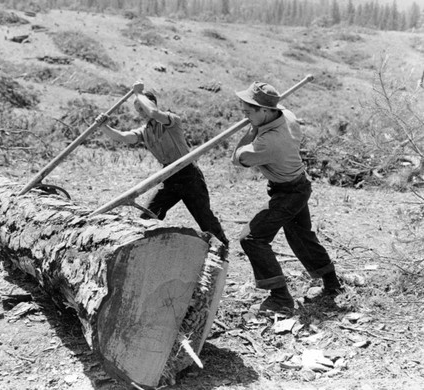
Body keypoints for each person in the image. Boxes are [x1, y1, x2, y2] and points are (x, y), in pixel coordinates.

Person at [231, 81, 343, 314]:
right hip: (297, 185)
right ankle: (332, 284)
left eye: (248, 112)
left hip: (288, 193)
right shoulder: (287, 115)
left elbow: (237, 158)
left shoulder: (269, 142)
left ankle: (280, 297)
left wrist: (251, 130)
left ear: (265, 111)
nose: (245, 115)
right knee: (301, 236)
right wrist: (255, 123)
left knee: (252, 239)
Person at [95, 81, 229, 247]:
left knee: (205, 219)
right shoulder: (145, 131)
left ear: (152, 104)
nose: (142, 113)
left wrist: (138, 93)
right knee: (148, 216)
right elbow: (123, 137)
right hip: (168, 177)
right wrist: (104, 126)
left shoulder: (171, 120)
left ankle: (223, 250)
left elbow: (153, 112)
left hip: (188, 174)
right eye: (138, 110)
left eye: (142, 108)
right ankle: (143, 250)